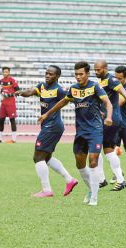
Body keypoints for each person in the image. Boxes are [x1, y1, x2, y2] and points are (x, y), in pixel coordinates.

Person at [38, 61, 113, 206]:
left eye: (81, 74)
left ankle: (94, 199)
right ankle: (91, 189)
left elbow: (107, 102)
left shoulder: (94, 86)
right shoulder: (73, 89)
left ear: (87, 74)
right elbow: (62, 102)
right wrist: (47, 114)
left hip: (95, 130)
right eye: (76, 74)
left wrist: (109, 117)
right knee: (80, 164)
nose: (78, 77)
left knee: (93, 161)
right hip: (80, 132)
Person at [15, 65, 78, 197]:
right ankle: (69, 179)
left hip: (53, 126)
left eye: (51, 74)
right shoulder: (42, 86)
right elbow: (31, 92)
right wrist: (20, 92)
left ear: (57, 76)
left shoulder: (59, 90)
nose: (48, 75)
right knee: (47, 158)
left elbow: (71, 100)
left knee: (37, 157)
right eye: (47, 73)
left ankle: (46, 190)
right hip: (49, 126)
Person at [94, 60, 126, 191]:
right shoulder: (101, 82)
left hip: (111, 119)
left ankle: (106, 179)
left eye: (99, 70)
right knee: (106, 149)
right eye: (95, 70)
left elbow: (124, 92)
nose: (96, 72)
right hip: (108, 119)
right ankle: (116, 179)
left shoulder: (111, 80)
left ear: (105, 69)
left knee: (98, 147)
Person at [0, 67, 20, 143]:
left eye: (7, 72)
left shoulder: (12, 80)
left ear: (9, 72)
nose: (5, 73)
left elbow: (18, 90)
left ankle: (14, 139)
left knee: (12, 120)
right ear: (2, 73)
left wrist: (10, 94)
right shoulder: (1, 81)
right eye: (4, 72)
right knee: (1, 120)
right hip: (3, 103)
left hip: (11, 103)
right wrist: (1, 93)